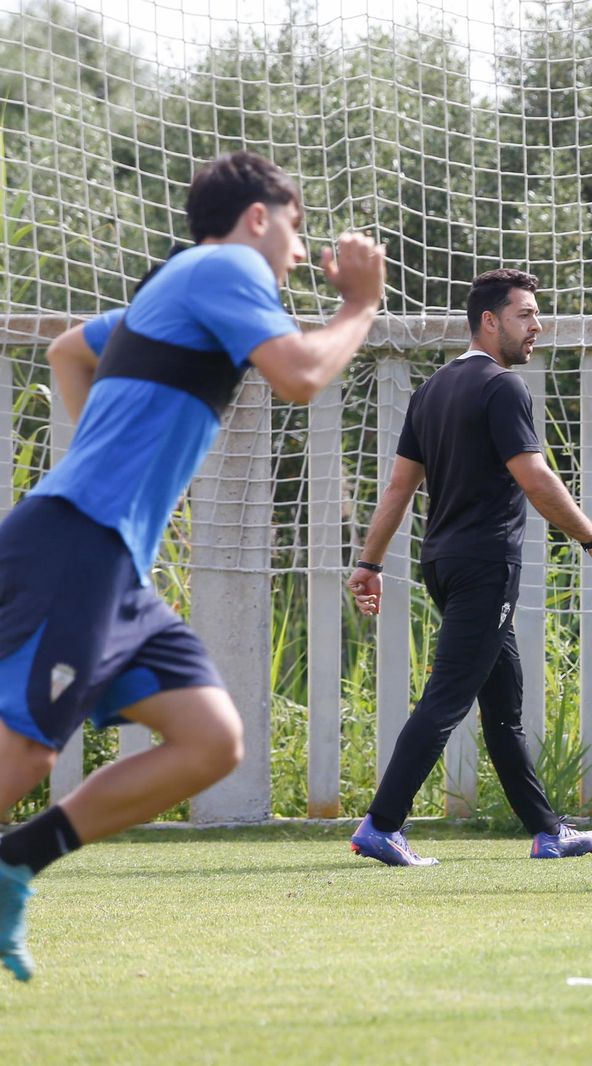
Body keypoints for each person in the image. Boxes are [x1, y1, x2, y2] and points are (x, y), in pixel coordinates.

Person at [0, 150, 387, 981]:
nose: (295, 250)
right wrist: (361, 303)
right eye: (294, 228)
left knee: (210, 740)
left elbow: (71, 350)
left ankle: (13, 865)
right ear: (258, 218)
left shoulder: (178, 290)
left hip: (112, 557)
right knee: (25, 755)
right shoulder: (221, 265)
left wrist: (121, 473)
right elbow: (302, 375)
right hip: (76, 540)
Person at [346, 268, 592, 867]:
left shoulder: (433, 390)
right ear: (489, 321)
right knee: (447, 698)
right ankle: (382, 824)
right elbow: (535, 478)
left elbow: (398, 488)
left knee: (503, 707)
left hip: (443, 563)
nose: (537, 326)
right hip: (484, 566)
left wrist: (369, 562)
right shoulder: (502, 388)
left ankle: (549, 830)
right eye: (525, 315)